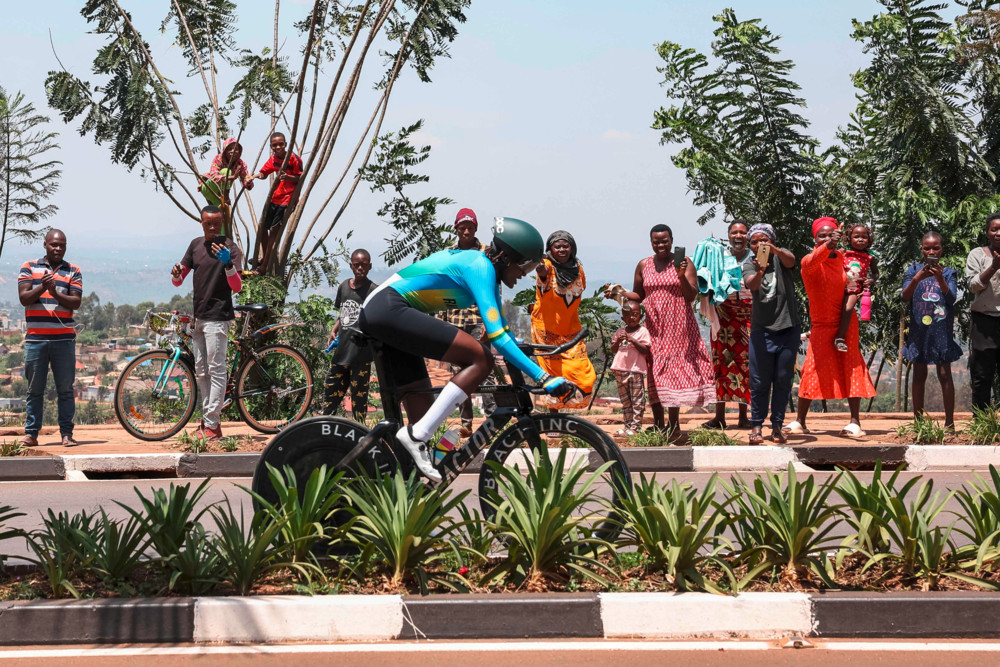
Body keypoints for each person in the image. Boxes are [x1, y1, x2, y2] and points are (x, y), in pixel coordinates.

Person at [359, 217, 574, 482]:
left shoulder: (489, 276)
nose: (524, 274)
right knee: (480, 359)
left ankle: (410, 479)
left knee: (422, 410)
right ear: (507, 257)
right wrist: (543, 378)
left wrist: (534, 353)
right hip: (387, 308)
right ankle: (416, 437)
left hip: (388, 312)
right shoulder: (479, 267)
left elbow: (502, 332)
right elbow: (496, 338)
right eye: (525, 266)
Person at [609, 224, 715, 441]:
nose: (660, 245)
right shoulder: (643, 265)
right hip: (653, 326)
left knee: (673, 370)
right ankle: (658, 425)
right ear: (651, 242)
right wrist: (617, 293)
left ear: (672, 240)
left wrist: (681, 275)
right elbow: (638, 294)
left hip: (679, 325)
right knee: (654, 370)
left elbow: (691, 296)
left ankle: (674, 425)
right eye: (656, 241)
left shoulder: (685, 264)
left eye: (664, 241)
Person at [785, 217, 875, 437]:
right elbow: (815, 258)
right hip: (821, 324)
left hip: (845, 323)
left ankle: (855, 422)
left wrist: (865, 282)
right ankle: (800, 421)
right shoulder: (809, 261)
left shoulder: (844, 259)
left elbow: (856, 279)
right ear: (814, 239)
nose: (826, 238)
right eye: (821, 235)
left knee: (851, 364)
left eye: (831, 234)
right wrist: (829, 245)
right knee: (811, 368)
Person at [171, 205, 244, 442]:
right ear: (201, 223)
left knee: (216, 370)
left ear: (222, 222)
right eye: (207, 223)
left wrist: (228, 264)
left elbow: (237, 286)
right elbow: (178, 280)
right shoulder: (195, 246)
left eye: (216, 223)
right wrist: (175, 273)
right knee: (201, 371)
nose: (212, 227)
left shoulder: (231, 249)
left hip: (218, 318)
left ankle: (212, 423)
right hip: (199, 317)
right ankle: (209, 423)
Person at [434, 208, 497, 437]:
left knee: (485, 368)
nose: (466, 230)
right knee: (459, 370)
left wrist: (490, 325)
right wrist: (441, 321)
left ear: (476, 228)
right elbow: (441, 287)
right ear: (456, 228)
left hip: (479, 319)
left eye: (470, 226)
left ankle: (492, 419)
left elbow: (493, 287)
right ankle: (466, 422)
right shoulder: (449, 254)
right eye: (462, 227)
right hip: (455, 319)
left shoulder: (486, 253)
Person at [17, 229, 83, 447]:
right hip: (36, 340)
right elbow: (24, 298)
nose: (58, 248)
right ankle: (31, 434)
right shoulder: (29, 267)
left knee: (65, 389)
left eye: (62, 245)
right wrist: (43, 287)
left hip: (64, 340)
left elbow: (75, 302)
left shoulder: (73, 271)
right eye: (54, 244)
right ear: (45, 245)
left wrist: (54, 293)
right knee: (35, 389)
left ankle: (66, 434)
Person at [742, 223, 800, 445]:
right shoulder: (749, 264)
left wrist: (774, 251)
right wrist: (760, 270)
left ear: (772, 241)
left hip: (788, 327)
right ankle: (756, 426)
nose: (759, 245)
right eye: (754, 242)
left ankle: (777, 426)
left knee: (783, 379)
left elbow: (791, 260)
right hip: (762, 330)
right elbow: (753, 285)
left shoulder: (780, 257)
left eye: (763, 240)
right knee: (759, 381)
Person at [530, 230, 596, 411]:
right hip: (547, 330)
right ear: (550, 249)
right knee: (553, 373)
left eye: (565, 246)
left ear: (572, 247)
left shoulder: (578, 268)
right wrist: (540, 267)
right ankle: (553, 419)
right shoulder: (547, 265)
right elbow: (542, 273)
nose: (561, 249)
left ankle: (569, 415)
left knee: (582, 370)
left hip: (571, 328)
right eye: (557, 246)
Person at [902, 231, 962, 428]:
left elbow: (951, 298)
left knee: (945, 374)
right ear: (922, 249)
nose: (931, 251)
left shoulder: (948, 272)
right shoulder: (913, 270)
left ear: (941, 249)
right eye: (927, 248)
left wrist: (940, 279)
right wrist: (917, 278)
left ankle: (950, 423)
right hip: (919, 331)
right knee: (919, 374)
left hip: (941, 332)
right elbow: (905, 296)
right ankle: (918, 423)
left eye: (935, 247)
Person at [703, 220, 751, 429]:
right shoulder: (720, 258)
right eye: (734, 232)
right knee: (721, 365)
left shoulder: (756, 256)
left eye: (742, 232)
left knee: (747, 367)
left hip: (751, 315)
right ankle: (719, 416)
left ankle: (744, 417)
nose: (738, 236)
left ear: (747, 235)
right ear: (729, 235)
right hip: (723, 315)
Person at [324, 249, 378, 423]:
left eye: (364, 264)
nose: (360, 268)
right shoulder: (344, 287)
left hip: (361, 355)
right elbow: (343, 313)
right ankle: (325, 430)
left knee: (359, 401)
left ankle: (360, 435)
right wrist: (335, 329)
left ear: (369, 266)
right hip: (342, 352)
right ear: (351, 266)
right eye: (357, 264)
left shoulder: (373, 290)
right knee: (331, 394)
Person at [250, 132, 303, 274]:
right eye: (275, 145)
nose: (278, 147)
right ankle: (266, 258)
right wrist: (255, 176)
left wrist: (289, 177)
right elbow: (264, 173)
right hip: (275, 198)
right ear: (271, 147)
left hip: (287, 200)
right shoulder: (273, 159)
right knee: (262, 229)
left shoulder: (293, 158)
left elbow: (300, 177)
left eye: (281, 144)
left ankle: (264, 266)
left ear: (286, 144)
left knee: (274, 232)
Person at [965, 212, 1000, 410]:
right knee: (982, 374)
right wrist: (993, 268)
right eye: (994, 229)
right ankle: (981, 421)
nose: (998, 233)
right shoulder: (977, 255)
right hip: (983, 321)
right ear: (987, 232)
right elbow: (972, 286)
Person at [610, 300, 651, 435]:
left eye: (634, 314)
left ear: (640, 316)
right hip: (620, 370)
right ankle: (627, 426)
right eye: (628, 316)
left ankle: (635, 427)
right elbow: (613, 350)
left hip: (635, 371)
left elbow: (645, 350)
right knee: (626, 401)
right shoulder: (620, 331)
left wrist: (632, 339)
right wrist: (619, 340)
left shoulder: (643, 331)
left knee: (637, 401)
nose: (631, 318)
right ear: (623, 318)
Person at [835, 223, 878, 351]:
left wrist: (871, 280)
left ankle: (840, 338)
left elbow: (876, 273)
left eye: (864, 237)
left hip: (854, 289)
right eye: (856, 236)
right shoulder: (843, 252)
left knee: (848, 309)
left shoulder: (870, 257)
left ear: (869, 239)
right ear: (849, 238)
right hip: (837, 287)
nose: (860, 239)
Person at [199, 137, 254, 237]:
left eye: (236, 149)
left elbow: (245, 180)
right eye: (230, 149)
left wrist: (249, 182)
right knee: (226, 171)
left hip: (219, 196)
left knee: (223, 216)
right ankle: (226, 196)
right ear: (225, 151)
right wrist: (232, 177)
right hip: (210, 188)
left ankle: (222, 241)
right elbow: (214, 176)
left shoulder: (240, 164)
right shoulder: (218, 159)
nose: (233, 152)